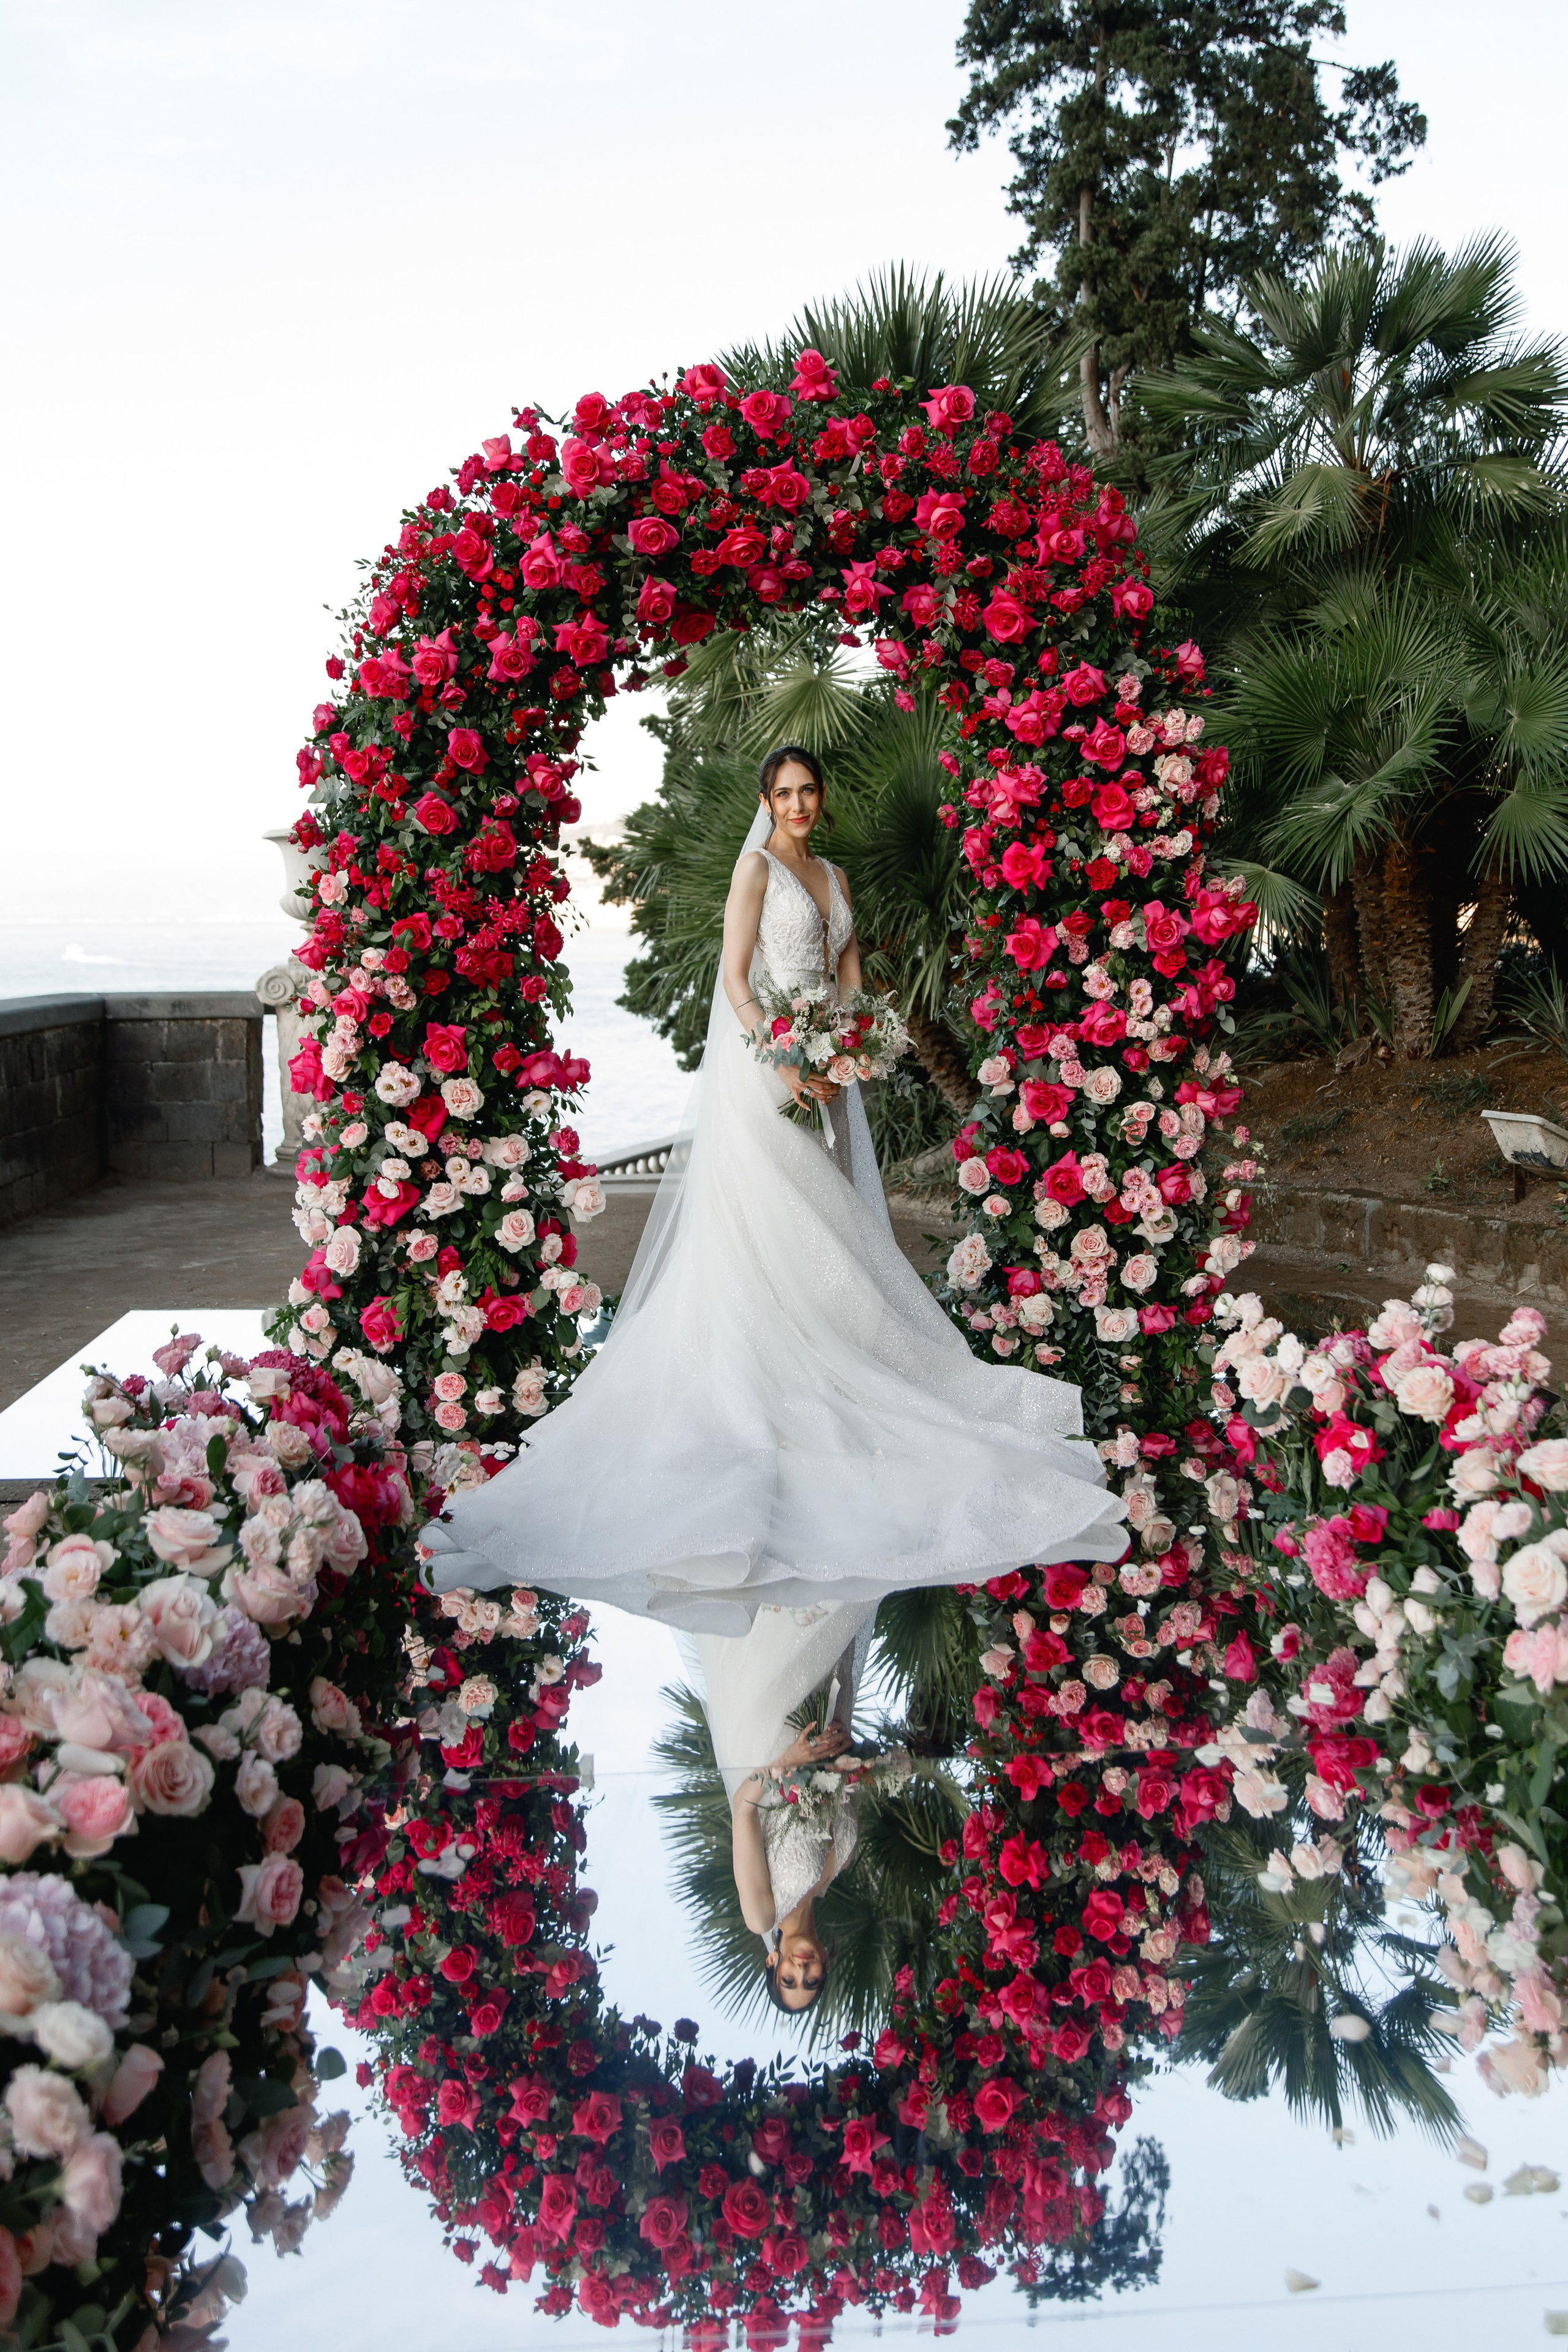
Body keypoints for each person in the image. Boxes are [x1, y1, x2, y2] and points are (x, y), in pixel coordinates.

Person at [419, 743, 1126, 1630]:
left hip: (833, 1073)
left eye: (807, 791)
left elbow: (851, 964)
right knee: (793, 1224)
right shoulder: (755, 869)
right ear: (768, 799)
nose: (797, 803)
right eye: (783, 792)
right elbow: (736, 978)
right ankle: (780, 1372)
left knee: (832, 1229)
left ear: (820, 799)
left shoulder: (830, 872)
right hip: (772, 1076)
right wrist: (786, 1059)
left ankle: (835, 1352)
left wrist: (858, 1037)